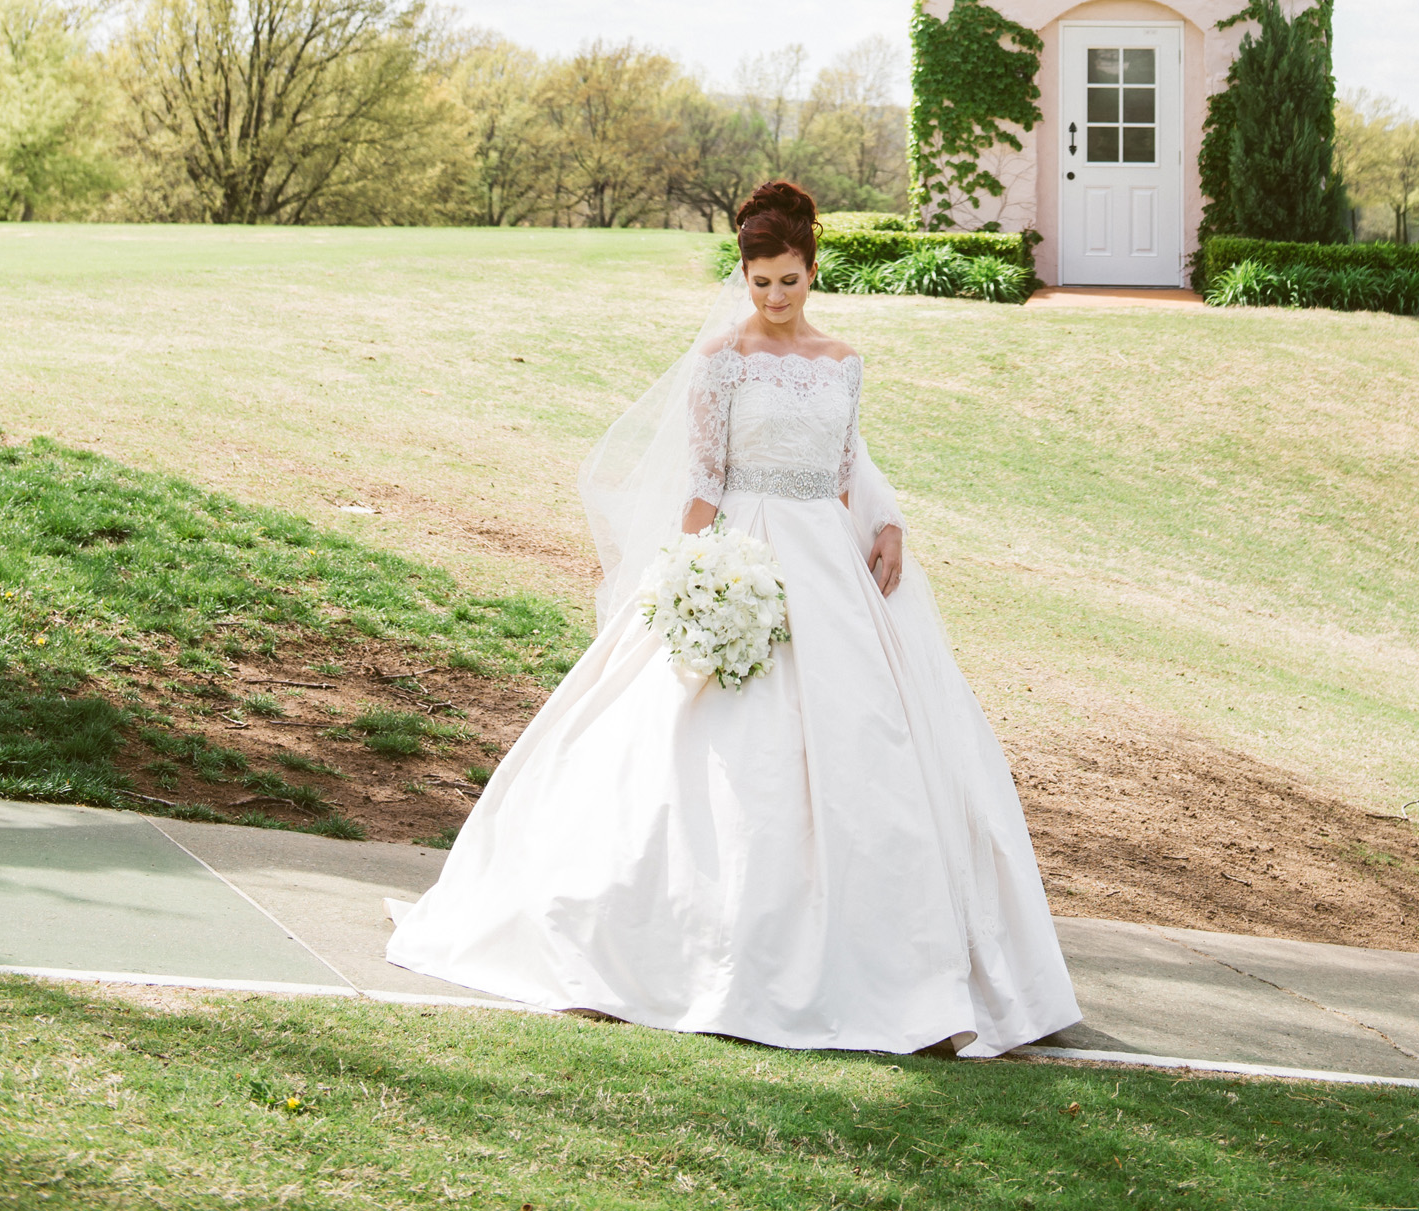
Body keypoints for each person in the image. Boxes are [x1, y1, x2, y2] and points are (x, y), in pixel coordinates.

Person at [386, 178, 1079, 1055]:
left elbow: (848, 463)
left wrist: (888, 520)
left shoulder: (843, 361)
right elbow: (703, 481)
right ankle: (652, 943)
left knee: (868, 744)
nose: (775, 298)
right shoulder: (722, 361)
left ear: (811, 269)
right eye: (760, 283)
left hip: (826, 565)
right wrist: (686, 579)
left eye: (789, 280)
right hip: (740, 553)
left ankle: (898, 970)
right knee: (700, 744)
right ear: (744, 277)